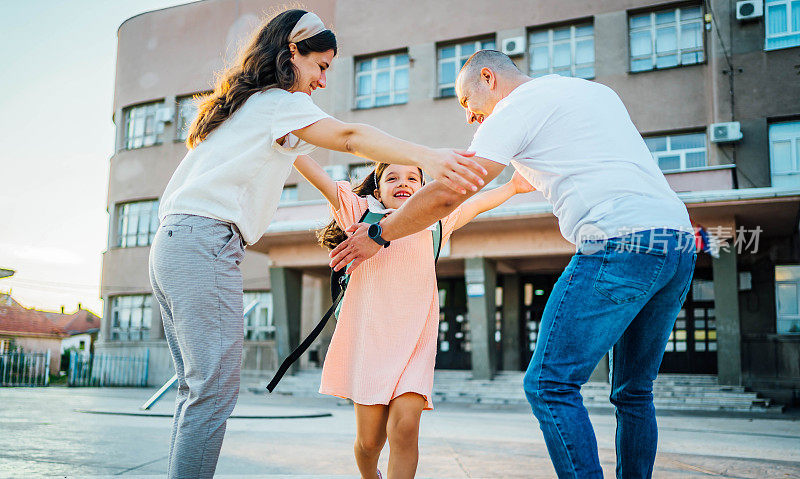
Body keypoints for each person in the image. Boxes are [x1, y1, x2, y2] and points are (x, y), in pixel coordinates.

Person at [148, 9, 486, 479]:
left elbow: (307, 158)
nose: (323, 81)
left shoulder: (247, 107)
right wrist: (429, 156)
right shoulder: (275, 101)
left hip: (175, 243)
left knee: (196, 390)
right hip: (204, 242)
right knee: (212, 392)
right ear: (292, 52)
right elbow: (349, 136)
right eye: (321, 66)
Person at [329, 50, 696, 479]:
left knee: (549, 384)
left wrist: (379, 233)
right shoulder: (594, 92)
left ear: (488, 78)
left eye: (468, 104)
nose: (470, 119)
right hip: (678, 242)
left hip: (617, 241)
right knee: (634, 392)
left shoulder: (515, 106)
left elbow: (452, 192)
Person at [293, 154, 533, 479]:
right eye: (392, 178)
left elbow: (476, 203)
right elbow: (320, 177)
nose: (403, 183)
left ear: (423, 188)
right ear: (377, 190)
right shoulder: (360, 212)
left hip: (415, 343)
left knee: (405, 428)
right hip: (370, 343)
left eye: (412, 178)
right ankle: (369, 475)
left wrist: (514, 186)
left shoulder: (436, 220)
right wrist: (287, 141)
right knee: (369, 442)